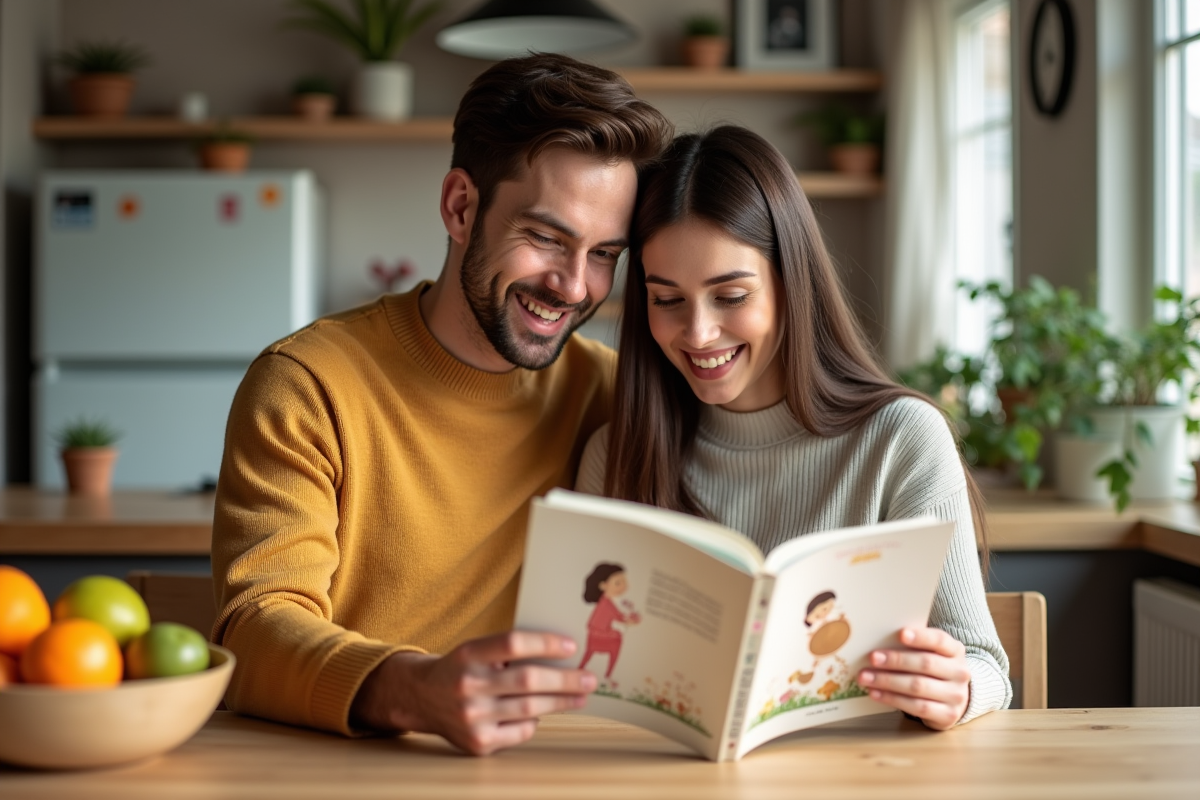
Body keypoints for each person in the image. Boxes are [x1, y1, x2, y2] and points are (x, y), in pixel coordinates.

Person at [209, 53, 673, 756]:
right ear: (461, 206)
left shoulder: (612, 395)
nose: (575, 287)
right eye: (546, 237)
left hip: (552, 766)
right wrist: (412, 689)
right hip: (346, 768)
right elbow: (255, 625)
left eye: (605, 254)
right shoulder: (308, 383)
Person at [575, 126, 1011, 731]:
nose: (698, 334)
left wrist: (956, 690)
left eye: (730, 295)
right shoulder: (617, 455)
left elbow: (986, 665)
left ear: (790, 284)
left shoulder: (902, 440)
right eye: (667, 300)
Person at [578, 562, 641, 679]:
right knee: (618, 638)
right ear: (603, 585)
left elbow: (619, 616)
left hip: (595, 634)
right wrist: (628, 621)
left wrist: (629, 619)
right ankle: (608, 674)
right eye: (618, 583)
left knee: (617, 635)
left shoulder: (608, 602)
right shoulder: (606, 604)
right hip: (599, 634)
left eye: (624, 582)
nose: (624, 586)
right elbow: (618, 617)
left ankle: (599, 671)